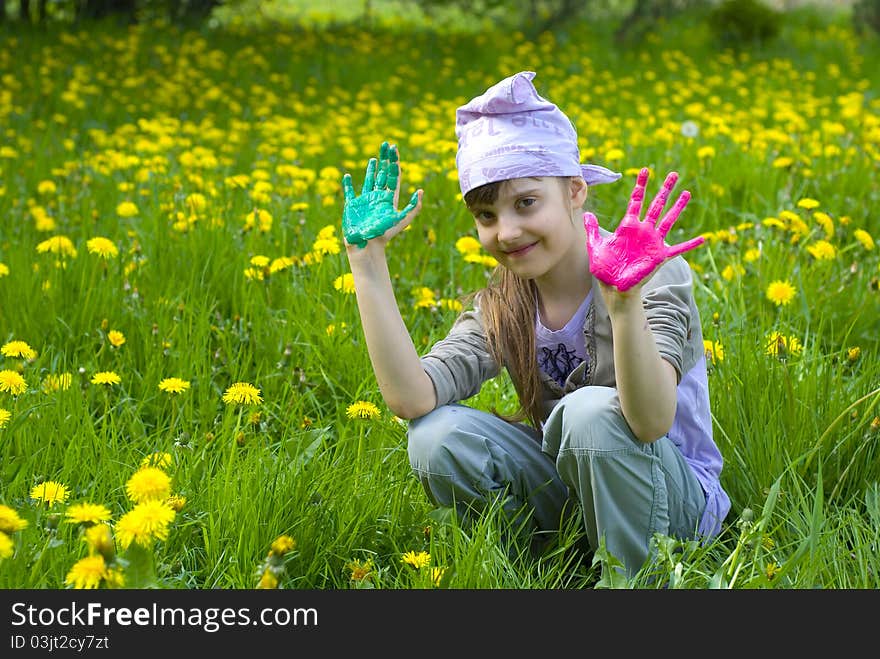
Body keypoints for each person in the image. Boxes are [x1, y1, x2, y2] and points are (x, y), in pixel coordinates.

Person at [340, 70, 730, 579]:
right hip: (575, 496)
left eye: (526, 203)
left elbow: (651, 422)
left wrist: (624, 304)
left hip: (672, 507)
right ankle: (538, 569)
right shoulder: (509, 302)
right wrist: (367, 263)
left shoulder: (650, 276)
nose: (506, 231)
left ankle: (633, 580)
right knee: (434, 435)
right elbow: (413, 398)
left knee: (588, 413)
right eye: (485, 215)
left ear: (574, 191)